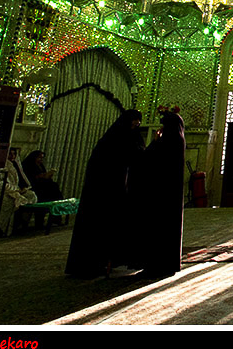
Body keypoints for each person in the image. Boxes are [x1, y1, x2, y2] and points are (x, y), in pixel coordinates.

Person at [65, 109, 145, 278]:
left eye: (138, 120)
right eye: (134, 120)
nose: (136, 124)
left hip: (118, 191)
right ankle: (93, 263)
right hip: (104, 193)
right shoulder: (113, 140)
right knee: (99, 225)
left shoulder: (129, 137)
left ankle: (111, 260)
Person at [131, 107, 186, 277]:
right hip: (171, 196)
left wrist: (155, 141)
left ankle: (155, 265)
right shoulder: (178, 140)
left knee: (157, 229)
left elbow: (148, 161)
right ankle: (167, 264)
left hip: (158, 196)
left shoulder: (165, 142)